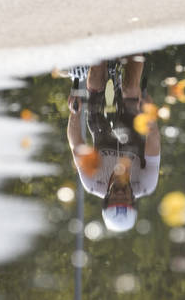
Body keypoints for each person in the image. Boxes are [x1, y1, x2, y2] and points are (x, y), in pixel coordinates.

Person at [66, 57, 161, 233]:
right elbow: (154, 140)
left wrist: (74, 113)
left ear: (106, 199)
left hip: (101, 129)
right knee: (131, 89)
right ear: (133, 199)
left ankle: (95, 58)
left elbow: (76, 145)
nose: (120, 193)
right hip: (133, 128)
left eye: (115, 198)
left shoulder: (93, 182)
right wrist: (149, 114)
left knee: (96, 77)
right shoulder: (146, 183)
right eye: (125, 198)